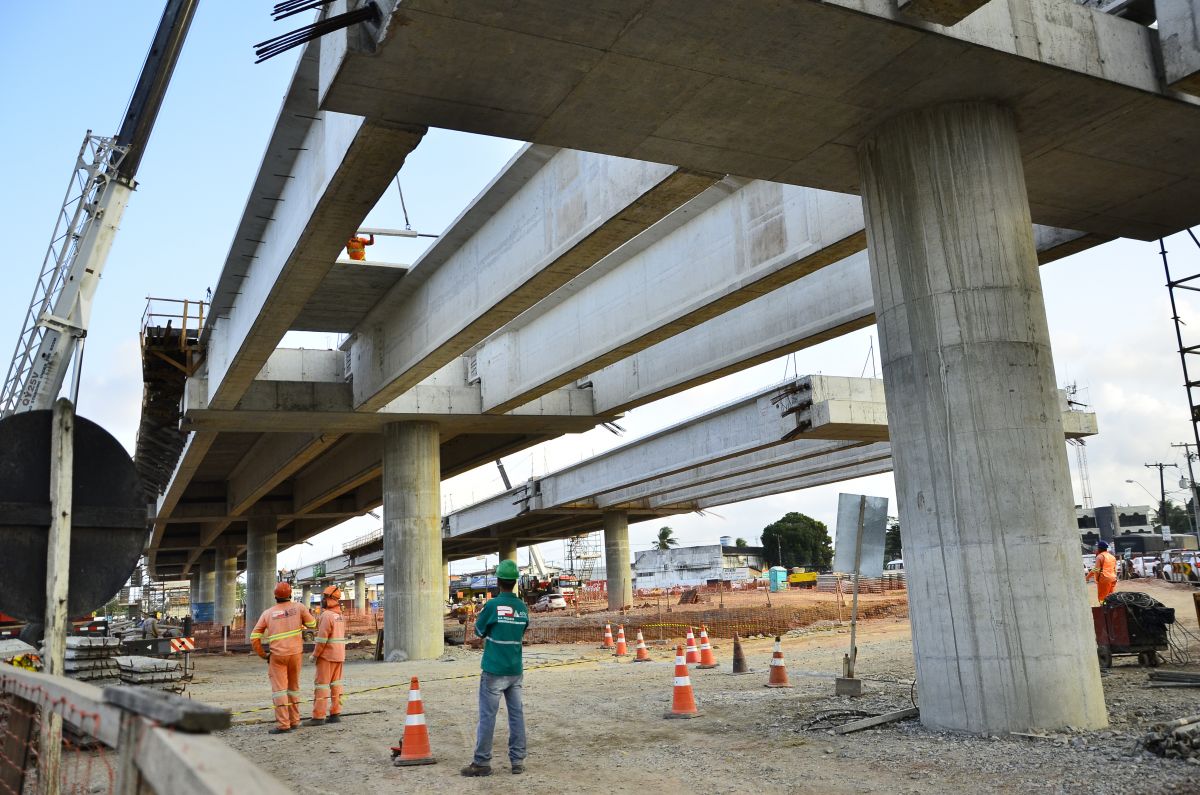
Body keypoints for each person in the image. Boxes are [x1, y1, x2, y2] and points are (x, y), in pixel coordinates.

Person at [461, 559, 529, 777]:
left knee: (488, 716)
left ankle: (482, 762)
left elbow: (479, 631)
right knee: (516, 715)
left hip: (494, 670)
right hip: (515, 669)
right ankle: (517, 761)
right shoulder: (522, 607)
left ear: (498, 581)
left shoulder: (492, 606)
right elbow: (521, 631)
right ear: (515, 582)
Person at [251, 582, 317, 734]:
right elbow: (312, 624)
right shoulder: (299, 607)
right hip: (295, 654)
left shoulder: (268, 613)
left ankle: (283, 724)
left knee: (279, 691)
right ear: (290, 594)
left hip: (277, 656)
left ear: (275, 596)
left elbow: (254, 637)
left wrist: (263, 655)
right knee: (293, 688)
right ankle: (294, 721)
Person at [305, 585, 347, 726]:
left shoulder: (326, 615)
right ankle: (335, 713)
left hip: (327, 656)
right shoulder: (340, 616)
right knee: (336, 685)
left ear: (330, 599)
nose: (322, 600)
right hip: (339, 655)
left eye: (324, 597)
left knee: (322, 686)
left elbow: (322, 639)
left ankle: (318, 717)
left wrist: (315, 655)